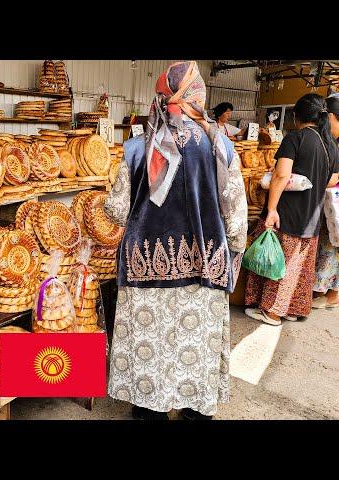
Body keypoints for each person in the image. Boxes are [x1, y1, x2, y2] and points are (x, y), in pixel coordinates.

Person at [104, 62, 248, 421]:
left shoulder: (137, 147)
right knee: (194, 346)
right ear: (198, 95)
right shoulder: (220, 145)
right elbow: (235, 217)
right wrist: (232, 257)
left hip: (145, 267)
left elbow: (118, 212)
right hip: (203, 266)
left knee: (148, 347)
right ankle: (194, 413)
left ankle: (149, 412)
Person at [245, 93, 339, 325]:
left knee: (279, 263)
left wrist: (272, 209)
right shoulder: (330, 145)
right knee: (301, 267)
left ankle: (272, 312)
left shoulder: (295, 138)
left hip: (288, 214)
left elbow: (281, 175)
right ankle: (293, 310)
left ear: (297, 116)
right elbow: (330, 179)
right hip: (313, 218)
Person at [312, 94, 339, 309]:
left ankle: (332, 293)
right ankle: (321, 287)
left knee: (333, 247)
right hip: (330, 206)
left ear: (331, 116)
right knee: (327, 244)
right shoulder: (333, 141)